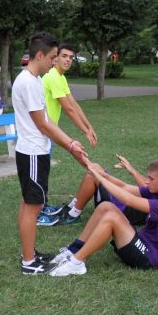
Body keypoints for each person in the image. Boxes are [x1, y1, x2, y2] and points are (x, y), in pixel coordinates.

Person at [49, 159, 158, 276]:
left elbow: (128, 199)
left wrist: (101, 178)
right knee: (106, 207)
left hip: (150, 257)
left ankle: (76, 262)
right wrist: (99, 173)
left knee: (111, 216)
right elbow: (125, 187)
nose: (146, 181)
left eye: (151, 179)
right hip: (140, 242)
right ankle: (73, 250)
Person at [12, 31, 88, 275]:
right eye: (53, 57)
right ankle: (28, 263)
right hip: (33, 153)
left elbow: (46, 119)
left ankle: (30, 254)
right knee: (32, 207)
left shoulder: (34, 80)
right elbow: (42, 124)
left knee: (29, 204)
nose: (54, 62)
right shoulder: (27, 82)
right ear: (40, 55)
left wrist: (70, 141)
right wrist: (70, 146)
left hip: (35, 151)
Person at [37, 43, 98, 225]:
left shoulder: (60, 78)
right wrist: (85, 131)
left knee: (44, 169)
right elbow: (68, 109)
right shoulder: (53, 77)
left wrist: (89, 127)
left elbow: (74, 104)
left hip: (49, 130)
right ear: (55, 58)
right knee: (40, 171)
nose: (68, 60)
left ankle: (43, 204)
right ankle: (38, 211)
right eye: (64, 56)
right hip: (41, 131)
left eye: (71, 57)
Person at [57, 154, 158, 226]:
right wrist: (127, 171)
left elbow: (131, 197)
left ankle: (72, 214)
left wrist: (101, 177)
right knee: (96, 168)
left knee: (93, 175)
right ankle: (71, 207)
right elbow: (139, 186)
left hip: (118, 210)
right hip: (119, 203)